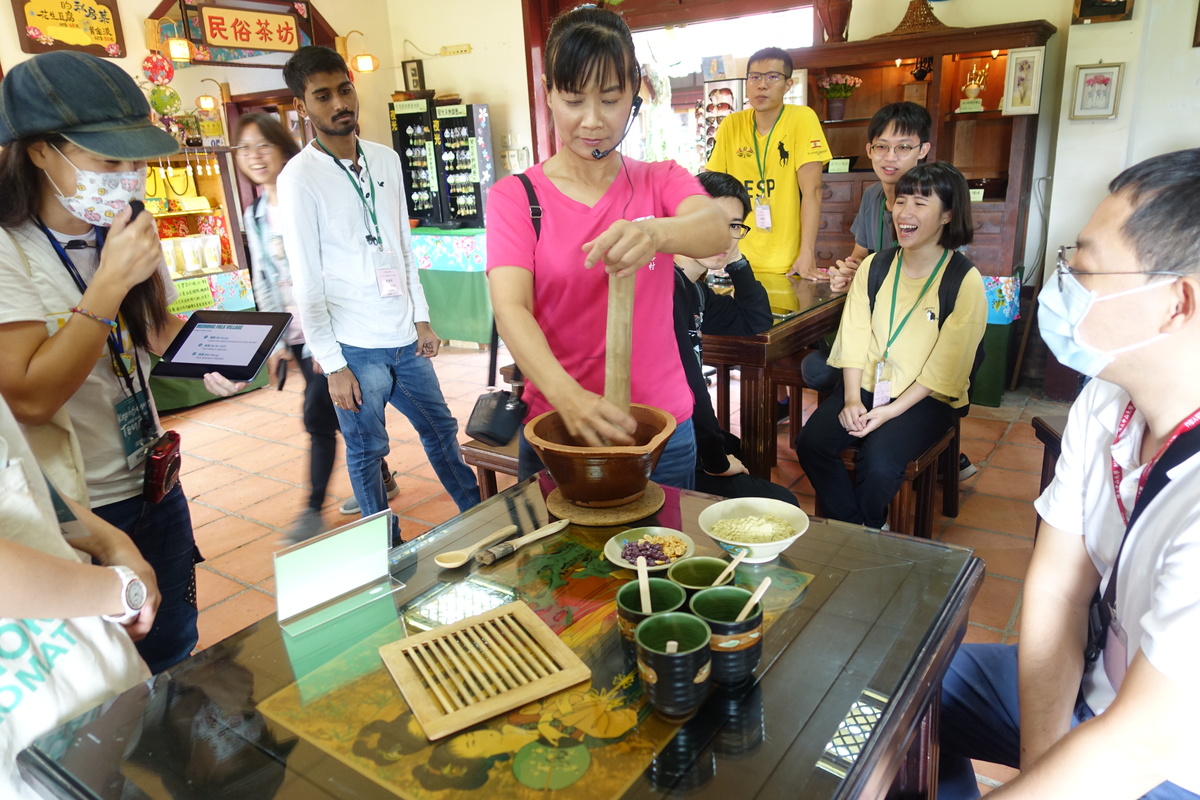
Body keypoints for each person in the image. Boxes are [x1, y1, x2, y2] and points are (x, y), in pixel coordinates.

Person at [939, 149, 1200, 799]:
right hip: (1092, 688)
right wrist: (1042, 757)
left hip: (1171, 763)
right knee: (896, 688)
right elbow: (1057, 588)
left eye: (1083, 268)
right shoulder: (1109, 398)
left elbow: (1137, 748)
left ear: (1176, 303)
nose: (1063, 286)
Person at [0, 52, 243, 673]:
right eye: (108, 162)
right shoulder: (8, 249)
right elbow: (29, 396)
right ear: (38, 152)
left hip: (155, 479)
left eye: (134, 161)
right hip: (82, 507)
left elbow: (153, 328)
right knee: (116, 671)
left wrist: (216, 353)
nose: (127, 177)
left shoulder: (119, 226)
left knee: (176, 641)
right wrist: (106, 286)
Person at [485, 5, 727, 487]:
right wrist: (569, 398)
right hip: (560, 429)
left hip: (662, 431)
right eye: (574, 100)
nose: (593, 121)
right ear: (549, 93)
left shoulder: (659, 179)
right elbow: (512, 308)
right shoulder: (516, 197)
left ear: (633, 95)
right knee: (562, 562)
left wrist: (656, 233)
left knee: (661, 560)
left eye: (611, 99)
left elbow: (714, 228)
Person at [278, 46, 479, 537]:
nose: (339, 103)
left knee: (442, 432)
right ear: (304, 106)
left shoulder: (385, 159)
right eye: (322, 96)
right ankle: (383, 547)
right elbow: (307, 278)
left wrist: (421, 318)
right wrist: (333, 364)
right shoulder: (299, 178)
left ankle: (477, 517)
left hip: (403, 339)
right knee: (368, 451)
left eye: (344, 89)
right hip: (354, 346)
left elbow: (403, 247)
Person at [795, 163, 985, 528]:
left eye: (920, 203)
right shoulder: (876, 267)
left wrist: (890, 412)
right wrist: (851, 398)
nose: (905, 213)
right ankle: (863, 529)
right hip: (866, 385)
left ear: (947, 215)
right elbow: (853, 336)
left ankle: (858, 532)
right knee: (812, 443)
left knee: (879, 462)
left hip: (925, 397)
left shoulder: (964, 280)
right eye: (901, 201)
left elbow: (946, 368)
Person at [235, 113, 396, 542]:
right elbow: (264, 277)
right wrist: (274, 343)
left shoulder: (308, 192)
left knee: (319, 415)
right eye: (244, 148)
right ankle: (380, 475)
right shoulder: (254, 215)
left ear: (284, 148)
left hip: (333, 327)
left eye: (262, 145)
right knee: (343, 409)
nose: (253, 156)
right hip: (297, 333)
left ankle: (312, 508)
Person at [0, 393, 161, 799]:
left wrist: (111, 543)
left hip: (83, 691)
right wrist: (121, 590)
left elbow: (20, 481)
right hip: (30, 745)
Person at [673, 171, 798, 505]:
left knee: (734, 445)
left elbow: (753, 321)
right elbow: (687, 381)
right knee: (784, 503)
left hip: (685, 430)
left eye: (734, 226)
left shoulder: (696, 290)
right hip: (664, 442)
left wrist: (737, 260)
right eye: (712, 222)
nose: (724, 238)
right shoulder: (666, 287)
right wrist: (715, 460)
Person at [705, 47, 831, 284]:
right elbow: (711, 190)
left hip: (787, 262)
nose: (762, 85)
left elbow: (812, 192)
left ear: (788, 84)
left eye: (773, 77)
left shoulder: (802, 119)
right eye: (755, 77)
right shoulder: (731, 124)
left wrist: (807, 253)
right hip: (734, 259)